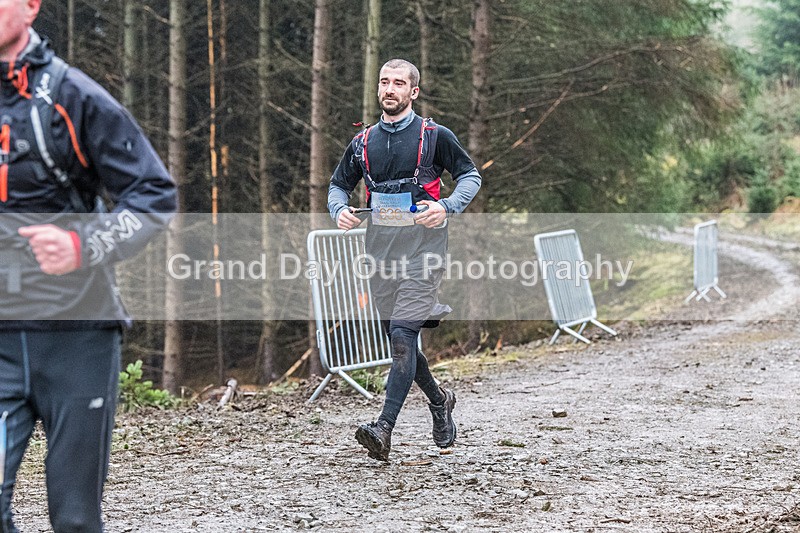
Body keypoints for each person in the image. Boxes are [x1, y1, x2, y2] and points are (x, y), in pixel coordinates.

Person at [0, 1, 176, 531]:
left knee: (75, 518)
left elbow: (154, 196)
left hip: (77, 335)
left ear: (30, 6)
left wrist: (84, 246)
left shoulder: (72, 96)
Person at [328, 58, 481, 461]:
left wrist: (447, 206)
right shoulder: (362, 143)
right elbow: (338, 185)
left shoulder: (434, 136)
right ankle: (439, 399)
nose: (389, 89)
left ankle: (384, 427)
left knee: (401, 337)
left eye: (399, 83)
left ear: (414, 92)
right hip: (379, 254)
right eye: (384, 82)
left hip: (425, 252)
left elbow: (470, 176)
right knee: (403, 341)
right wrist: (338, 209)